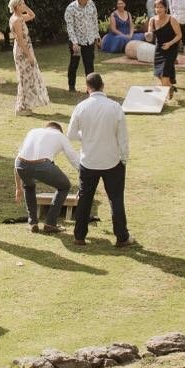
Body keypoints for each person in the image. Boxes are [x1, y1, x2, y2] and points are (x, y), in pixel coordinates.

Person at [66, 73, 131, 248]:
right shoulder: (115, 107)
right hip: (112, 160)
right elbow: (122, 137)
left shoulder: (81, 107)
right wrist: (124, 158)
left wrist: (85, 137)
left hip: (89, 161)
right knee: (116, 199)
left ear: (88, 88)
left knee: (85, 199)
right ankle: (122, 237)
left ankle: (79, 236)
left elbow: (71, 134)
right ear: (102, 86)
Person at [15, 121, 79, 232]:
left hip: (21, 164)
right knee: (64, 186)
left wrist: (18, 188)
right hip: (42, 164)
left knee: (28, 186)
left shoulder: (33, 131)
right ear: (59, 130)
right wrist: (84, 174)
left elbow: (18, 158)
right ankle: (50, 224)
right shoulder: (60, 136)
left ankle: (33, 223)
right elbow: (73, 158)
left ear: (47, 127)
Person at [7, 0, 50, 114]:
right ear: (17, 6)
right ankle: (21, 108)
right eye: (22, 4)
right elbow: (20, 40)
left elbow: (32, 15)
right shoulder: (16, 20)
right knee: (25, 78)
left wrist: (26, 7)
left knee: (28, 77)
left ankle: (25, 106)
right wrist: (29, 55)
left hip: (25, 49)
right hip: (22, 51)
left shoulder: (19, 18)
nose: (24, 5)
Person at [64, 0, 100, 93]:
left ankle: (91, 89)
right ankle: (71, 87)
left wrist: (97, 36)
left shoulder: (91, 4)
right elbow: (70, 27)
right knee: (74, 64)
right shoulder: (70, 8)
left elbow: (94, 21)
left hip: (89, 40)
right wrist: (74, 43)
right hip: (77, 43)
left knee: (89, 65)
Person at [146, 0, 181, 92]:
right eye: (156, 7)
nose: (158, 9)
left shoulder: (172, 20)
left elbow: (179, 35)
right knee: (158, 74)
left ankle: (166, 94)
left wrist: (170, 44)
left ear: (165, 8)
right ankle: (171, 88)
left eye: (161, 7)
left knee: (165, 77)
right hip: (159, 49)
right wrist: (148, 35)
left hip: (171, 48)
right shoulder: (152, 20)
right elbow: (150, 37)